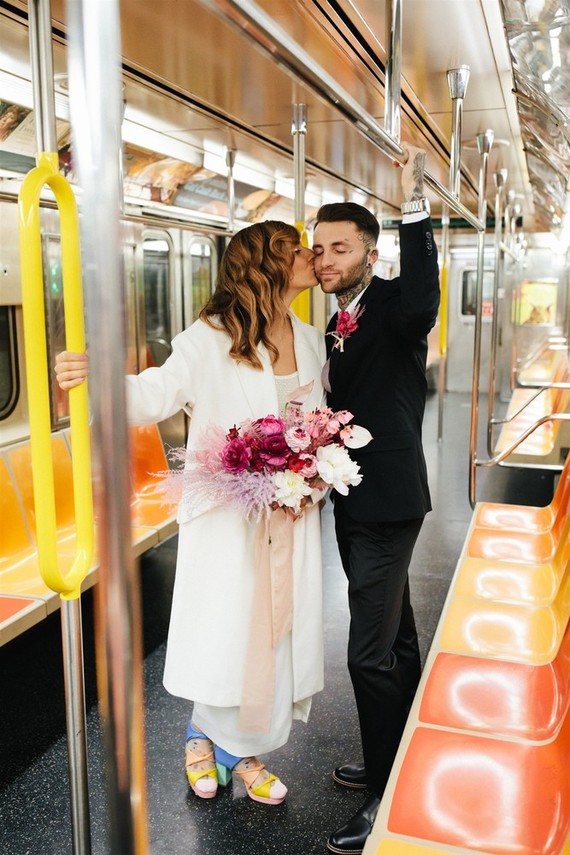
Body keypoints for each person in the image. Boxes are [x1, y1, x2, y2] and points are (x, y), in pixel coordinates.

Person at [55, 221, 326, 806]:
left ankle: (242, 748)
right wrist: (96, 377)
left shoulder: (309, 337)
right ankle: (206, 736)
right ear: (267, 265)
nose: (309, 257)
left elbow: (312, 417)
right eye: (295, 248)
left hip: (292, 509)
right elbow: (157, 392)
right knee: (230, 628)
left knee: (276, 628)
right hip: (231, 514)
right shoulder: (209, 338)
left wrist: (315, 470)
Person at [312, 146, 440, 854]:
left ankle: (385, 793)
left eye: (339, 248)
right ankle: (404, 752)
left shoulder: (392, 304)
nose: (324, 259)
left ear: (370, 252)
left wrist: (413, 203)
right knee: (396, 639)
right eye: (318, 248)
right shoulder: (336, 321)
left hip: (386, 502)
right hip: (356, 500)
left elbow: (423, 297)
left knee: (367, 654)